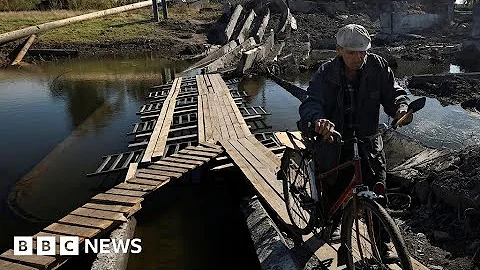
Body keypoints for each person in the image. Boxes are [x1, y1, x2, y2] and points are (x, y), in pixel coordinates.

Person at [298, 24, 412, 260]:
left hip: (369, 142)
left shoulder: (378, 66)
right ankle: (333, 223)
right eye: (352, 52)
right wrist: (319, 121)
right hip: (334, 142)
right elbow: (311, 102)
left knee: (378, 194)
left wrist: (401, 108)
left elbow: (394, 93)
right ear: (339, 50)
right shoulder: (325, 73)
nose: (359, 57)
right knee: (334, 188)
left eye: (363, 51)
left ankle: (381, 245)